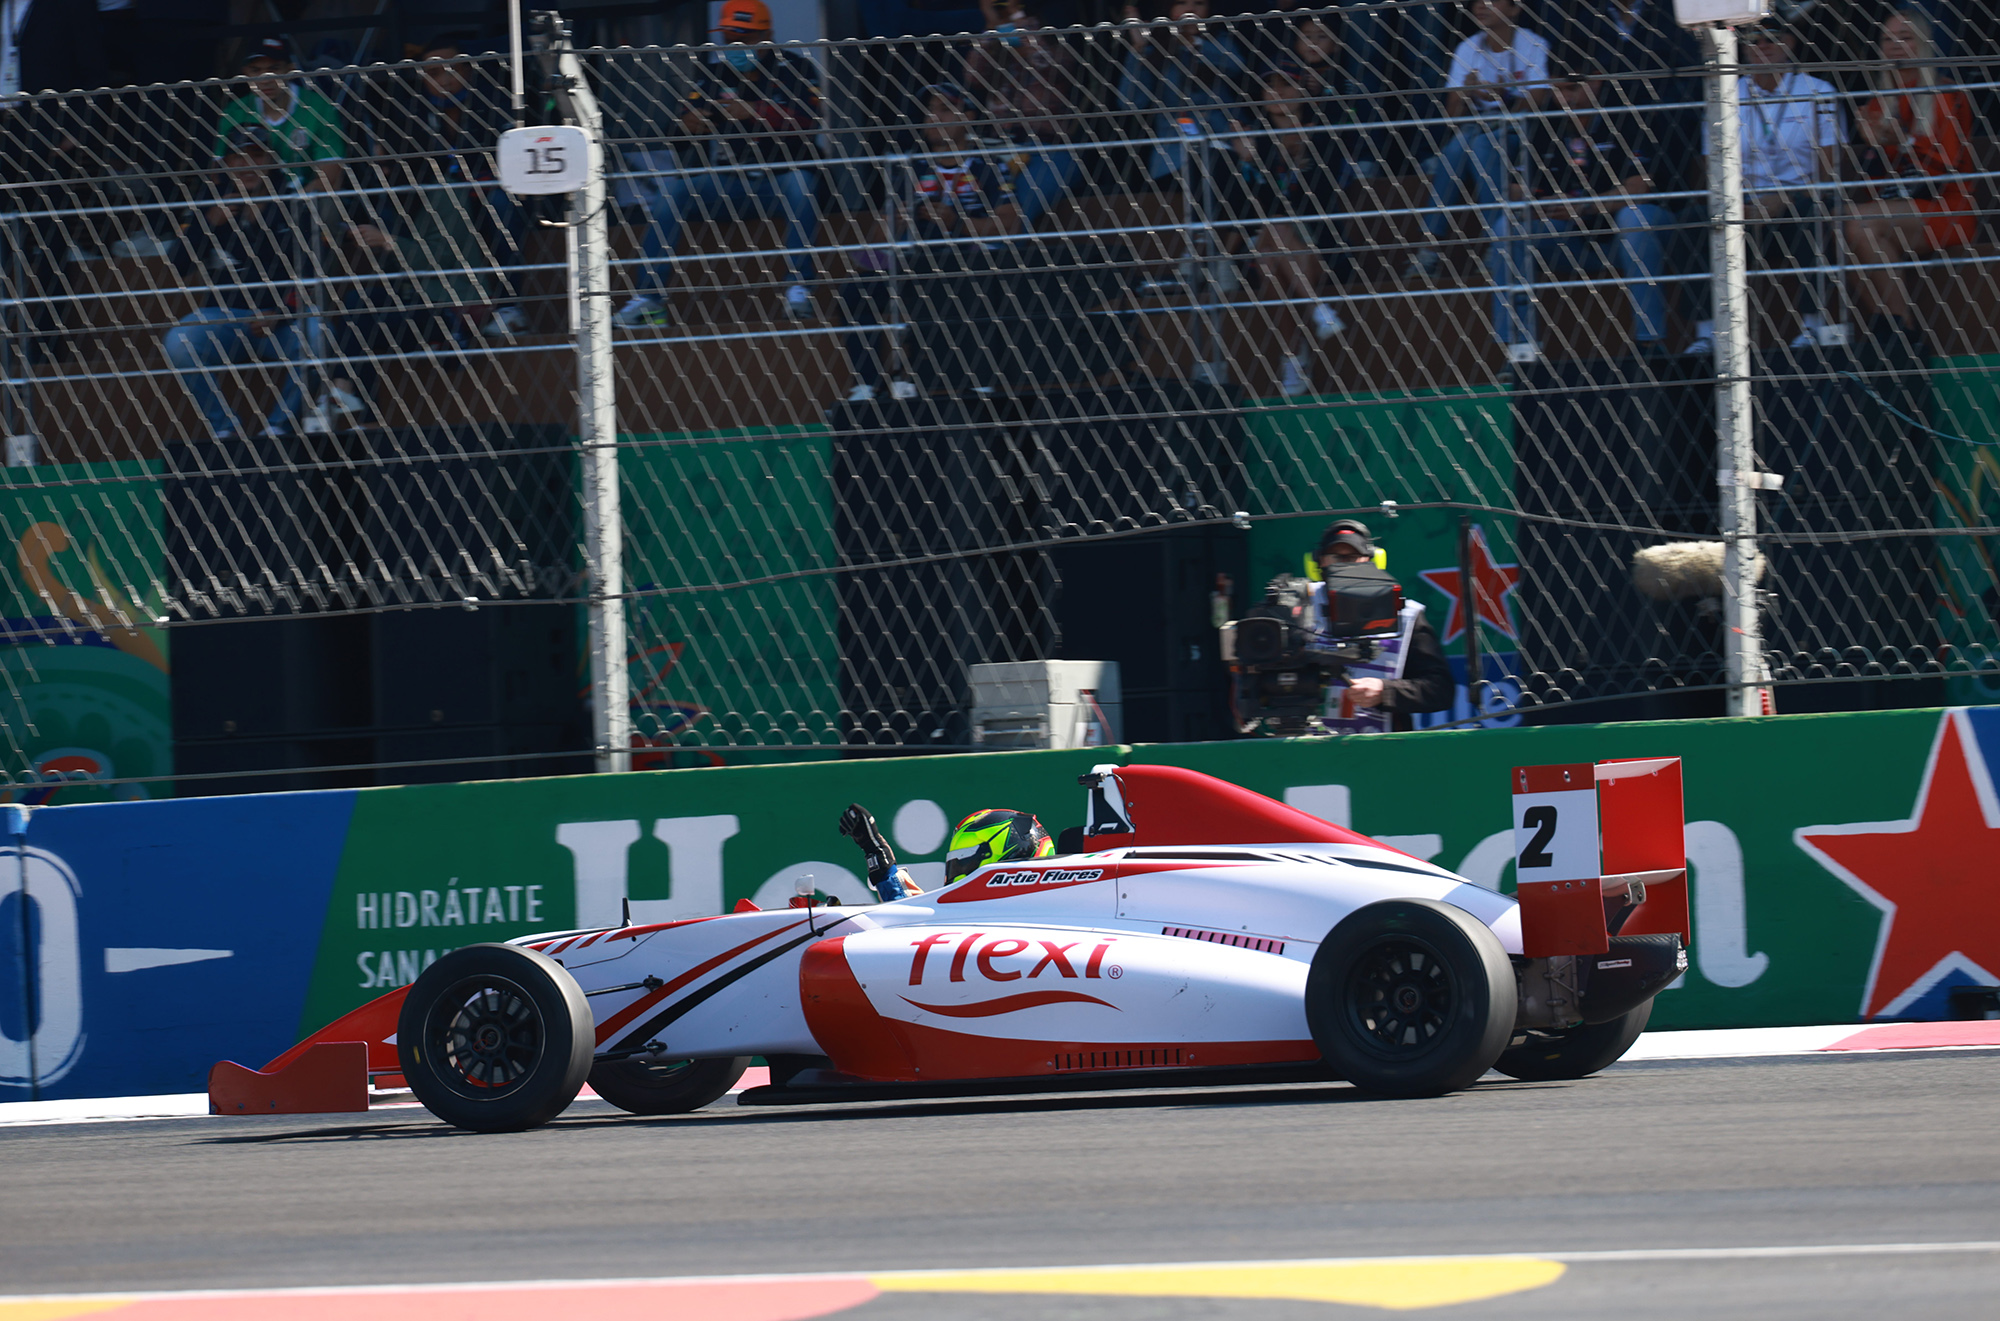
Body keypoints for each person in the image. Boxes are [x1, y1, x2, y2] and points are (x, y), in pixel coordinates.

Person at [613, 0, 822, 329]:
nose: (736, 48)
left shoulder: (796, 69)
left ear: (767, 36)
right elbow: (681, 120)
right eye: (729, 40)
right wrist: (689, 122)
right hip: (726, 183)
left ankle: (800, 287)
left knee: (802, 184)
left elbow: (812, 122)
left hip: (777, 180)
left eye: (746, 39)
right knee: (673, 191)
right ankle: (649, 299)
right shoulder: (714, 73)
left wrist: (756, 112)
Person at [837, 83, 1020, 402]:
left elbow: (1010, 222)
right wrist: (898, 219)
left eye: (945, 110)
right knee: (855, 292)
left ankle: (965, 377)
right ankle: (866, 384)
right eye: (930, 112)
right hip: (913, 258)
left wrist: (956, 222)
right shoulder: (910, 165)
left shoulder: (988, 164)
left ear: (968, 116)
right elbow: (877, 239)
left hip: (970, 258)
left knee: (944, 252)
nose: (934, 118)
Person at [1485, 62, 1675, 358]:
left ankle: (1651, 343)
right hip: (1569, 234)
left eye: (1572, 88)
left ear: (1596, 82)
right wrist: (1543, 205)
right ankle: (1519, 350)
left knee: (1635, 217)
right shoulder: (1544, 123)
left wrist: (1586, 205)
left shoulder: (1626, 114)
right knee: (1505, 229)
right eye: (1557, 90)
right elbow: (1514, 188)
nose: (1564, 98)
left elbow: (1641, 186)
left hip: (1630, 234)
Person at [1682, 21, 1841, 356]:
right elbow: (1712, 171)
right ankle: (1707, 332)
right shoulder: (1723, 95)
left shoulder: (1819, 92)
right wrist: (1738, 203)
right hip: (1740, 203)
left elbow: (1829, 174)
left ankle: (1814, 325)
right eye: (1754, 40)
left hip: (1799, 199)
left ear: (1790, 42)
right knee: (1692, 220)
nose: (1763, 46)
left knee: (1811, 213)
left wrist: (1782, 199)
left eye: (1772, 39)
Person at [361, 36, 528, 339]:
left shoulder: (494, 102)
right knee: (387, 211)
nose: (444, 80)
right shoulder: (412, 112)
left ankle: (508, 302)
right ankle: (420, 308)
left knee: (505, 205)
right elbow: (403, 166)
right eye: (433, 73)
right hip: (438, 196)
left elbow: (514, 159)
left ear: (467, 71)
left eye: (452, 70)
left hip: (490, 192)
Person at [161, 135, 321, 441]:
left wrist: (281, 313)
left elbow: (312, 274)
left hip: (282, 321)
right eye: (238, 158)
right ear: (226, 165)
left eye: (257, 157)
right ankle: (225, 428)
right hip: (226, 318)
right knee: (179, 341)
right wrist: (209, 223)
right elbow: (178, 265)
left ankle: (279, 428)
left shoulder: (293, 203)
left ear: (271, 162)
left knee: (318, 334)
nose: (247, 166)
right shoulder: (211, 204)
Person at [1843, 8, 1974, 344]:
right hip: (1894, 208)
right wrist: (1870, 142)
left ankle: (1900, 327)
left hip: (1946, 207)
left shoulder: (1946, 94)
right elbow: (1875, 180)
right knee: (1852, 228)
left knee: (1859, 223)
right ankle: (1894, 328)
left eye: (1905, 37)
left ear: (1923, 43)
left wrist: (1899, 140)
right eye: (1889, 39)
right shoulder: (1877, 102)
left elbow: (1941, 172)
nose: (1896, 45)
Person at [1221, 70, 1351, 396]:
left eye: (1285, 84)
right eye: (1269, 85)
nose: (1276, 92)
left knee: (1272, 242)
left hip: (1317, 240)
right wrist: (1249, 161)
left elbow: (1321, 195)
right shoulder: (1254, 140)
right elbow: (1244, 205)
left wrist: (1291, 154)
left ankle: (1293, 361)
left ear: (1303, 91)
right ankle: (1317, 310)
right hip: (1269, 245)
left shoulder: (1323, 134)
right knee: (1270, 257)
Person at [1405, 0, 1550, 280]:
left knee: (1477, 143)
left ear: (1514, 8)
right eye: (1476, 3)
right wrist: (1468, 92)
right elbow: (1451, 117)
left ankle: (1442, 245)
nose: (1480, 7)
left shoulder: (1533, 43)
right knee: (1457, 147)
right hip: (1476, 127)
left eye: (1491, 2)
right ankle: (1438, 247)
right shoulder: (1467, 48)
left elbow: (1538, 101)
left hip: (1522, 128)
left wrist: (1504, 94)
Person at [1311, 519, 1452, 729]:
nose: (1343, 565)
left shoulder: (1405, 614)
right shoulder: (1296, 605)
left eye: (1351, 557)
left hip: (1381, 751)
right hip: (1303, 748)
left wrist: (1385, 692)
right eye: (1335, 557)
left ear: (1371, 560)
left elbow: (1440, 690)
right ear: (1319, 561)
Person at [964, 0, 1079, 232]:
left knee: (1016, 211)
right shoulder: (997, 47)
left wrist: (1019, 18)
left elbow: (1044, 62)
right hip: (997, 151)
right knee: (970, 205)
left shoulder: (1055, 40)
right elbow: (972, 76)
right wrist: (992, 25)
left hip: (1046, 150)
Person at [1115, 0, 1250, 186]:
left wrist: (1192, 44)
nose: (1190, 10)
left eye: (1199, 3)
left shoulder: (1220, 41)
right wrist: (1140, 50)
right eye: (1181, 3)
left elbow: (1236, 66)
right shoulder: (1154, 50)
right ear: (1168, 10)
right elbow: (1130, 103)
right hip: (1175, 158)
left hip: (1226, 149)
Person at [212, 37, 346, 210]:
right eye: (256, 70)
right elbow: (217, 172)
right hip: (250, 199)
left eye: (274, 69)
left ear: (291, 69)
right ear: (245, 73)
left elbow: (331, 174)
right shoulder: (235, 111)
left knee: (328, 203)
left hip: (305, 200)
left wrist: (289, 207)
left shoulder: (318, 107)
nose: (265, 78)